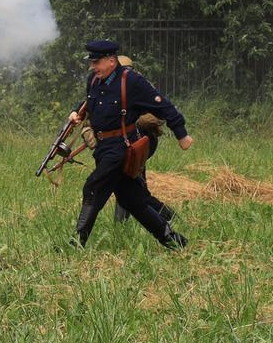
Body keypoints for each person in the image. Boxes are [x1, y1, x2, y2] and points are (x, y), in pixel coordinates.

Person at [65, 40, 192, 249]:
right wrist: (76, 111)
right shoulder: (94, 80)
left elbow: (163, 105)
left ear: (111, 60)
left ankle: (76, 243)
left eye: (96, 62)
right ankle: (175, 241)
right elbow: (89, 101)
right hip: (103, 147)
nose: (93, 67)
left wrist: (181, 134)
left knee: (93, 188)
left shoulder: (131, 81)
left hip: (121, 147)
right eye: (92, 63)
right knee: (132, 200)